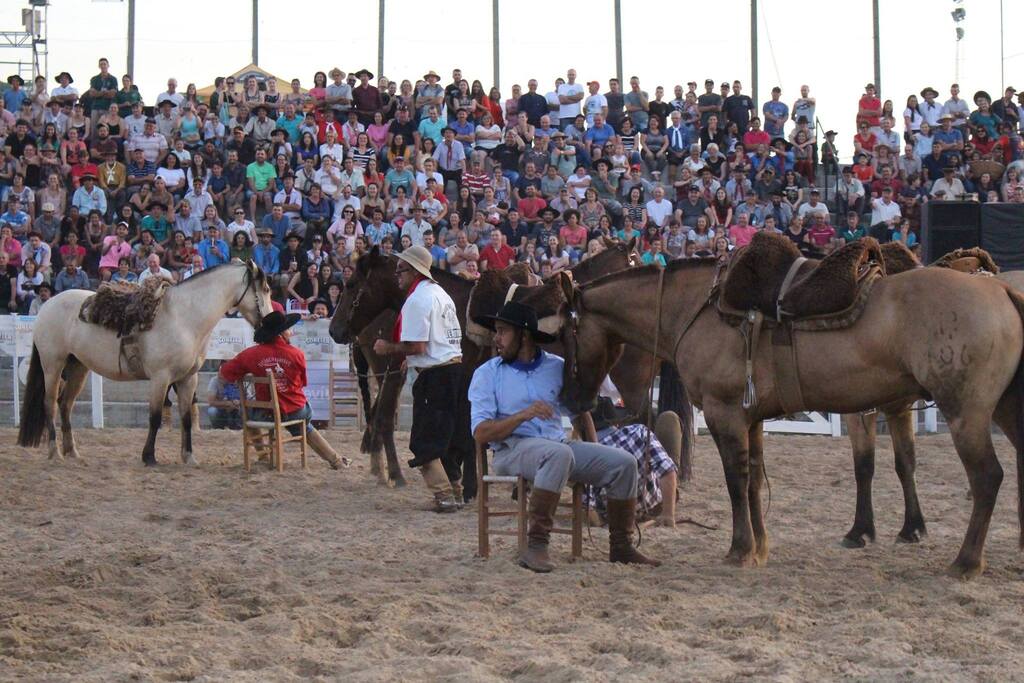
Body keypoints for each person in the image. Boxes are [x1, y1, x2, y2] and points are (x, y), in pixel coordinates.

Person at [469, 301, 660, 572]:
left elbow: (580, 412)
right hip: (512, 449)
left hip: (557, 447)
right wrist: (523, 415)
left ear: (524, 335)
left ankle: (621, 546)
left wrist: (594, 448)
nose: (496, 339)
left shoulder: (556, 367)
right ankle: (536, 544)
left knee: (624, 463)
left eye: (502, 331)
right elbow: (480, 432)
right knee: (558, 454)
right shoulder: (487, 374)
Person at [371, 245, 464, 512]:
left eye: (400, 270)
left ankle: (443, 495)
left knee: (423, 441)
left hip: (434, 375)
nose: (397, 275)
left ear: (413, 272)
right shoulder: (441, 294)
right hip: (452, 368)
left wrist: (387, 347)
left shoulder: (416, 300)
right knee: (444, 438)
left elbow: (417, 346)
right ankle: (455, 491)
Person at [219, 311, 348, 468]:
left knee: (245, 411)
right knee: (305, 422)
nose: (291, 332)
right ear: (281, 333)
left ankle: (264, 456)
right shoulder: (296, 354)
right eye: (288, 329)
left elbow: (224, 373)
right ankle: (335, 460)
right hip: (294, 411)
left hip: (265, 415)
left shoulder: (250, 355)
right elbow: (302, 383)